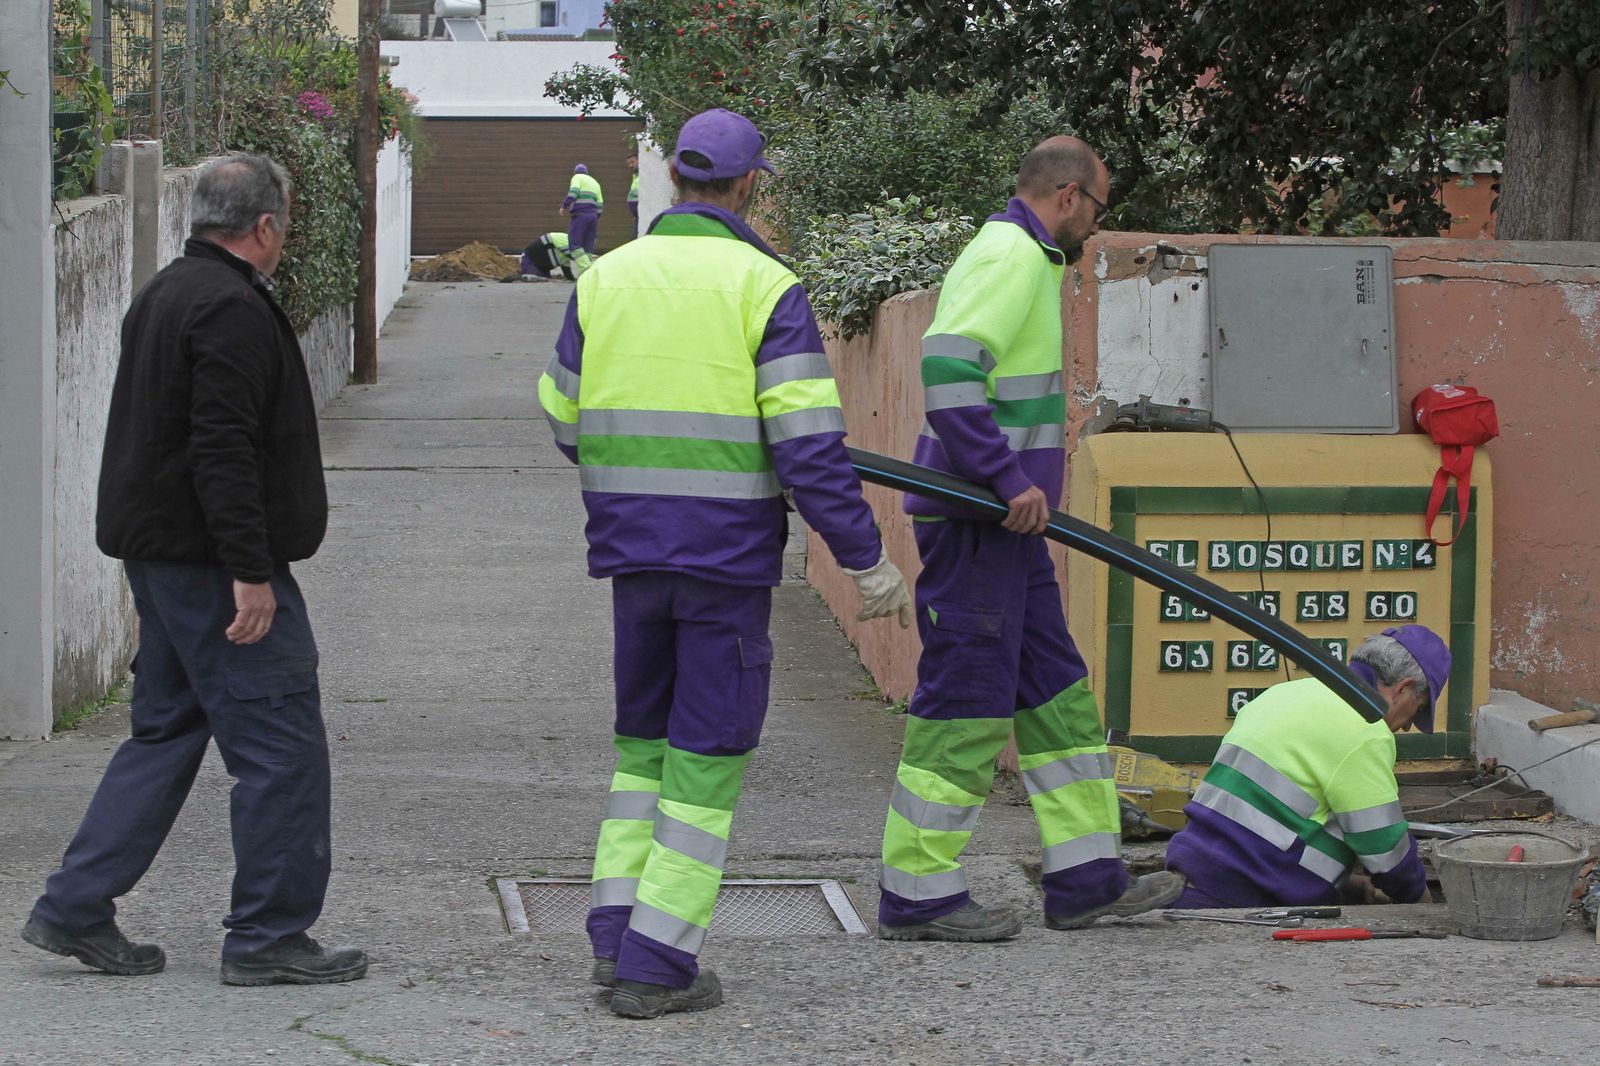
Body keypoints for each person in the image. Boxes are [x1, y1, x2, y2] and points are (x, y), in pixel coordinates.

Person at [538, 107, 913, 1019]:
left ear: (673, 179)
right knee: (705, 764)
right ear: (751, 185)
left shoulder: (605, 279)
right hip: (726, 566)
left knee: (642, 755)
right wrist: (866, 562)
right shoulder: (766, 288)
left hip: (633, 560)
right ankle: (658, 966)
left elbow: (561, 414)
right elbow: (808, 448)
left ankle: (615, 933)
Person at [19, 154, 367, 988]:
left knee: (168, 728)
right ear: (266, 226)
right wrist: (250, 572)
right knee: (281, 746)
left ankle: (76, 904)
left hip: (165, 558)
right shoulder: (229, 308)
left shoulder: (168, 291)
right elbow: (221, 448)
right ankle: (269, 935)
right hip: (216, 565)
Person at [876, 137, 1184, 943]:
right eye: (1101, 208)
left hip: (1003, 526)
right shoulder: (1011, 256)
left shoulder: (1024, 258)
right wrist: (1007, 480)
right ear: (1071, 196)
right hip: (982, 520)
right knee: (965, 704)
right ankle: (916, 895)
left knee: (1056, 698)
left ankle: (1087, 880)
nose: (1096, 225)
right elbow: (947, 368)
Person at [1165, 626, 1449, 909]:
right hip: (1241, 897)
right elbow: (1384, 850)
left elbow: (1265, 824)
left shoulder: (1282, 694)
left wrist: (1343, 883)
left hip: (1189, 879)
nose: (1408, 725)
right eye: (1419, 708)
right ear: (1404, 688)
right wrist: (1421, 903)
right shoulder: (1365, 728)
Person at [562, 162, 604, 256]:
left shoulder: (577, 177)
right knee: (588, 244)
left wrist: (564, 206)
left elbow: (574, 192)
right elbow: (600, 203)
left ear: (575, 172)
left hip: (580, 214)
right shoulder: (595, 182)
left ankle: (583, 266)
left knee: (574, 243)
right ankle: (588, 268)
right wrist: (595, 216)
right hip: (593, 216)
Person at [520, 231, 594, 281]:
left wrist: (572, 280)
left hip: (541, 268)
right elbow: (581, 260)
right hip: (529, 261)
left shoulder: (568, 249)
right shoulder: (567, 242)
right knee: (533, 280)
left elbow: (566, 268)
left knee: (543, 280)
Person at [626, 152, 640, 240]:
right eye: (629, 163)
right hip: (636, 215)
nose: (630, 165)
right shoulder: (635, 175)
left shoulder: (644, 175)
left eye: (632, 162)